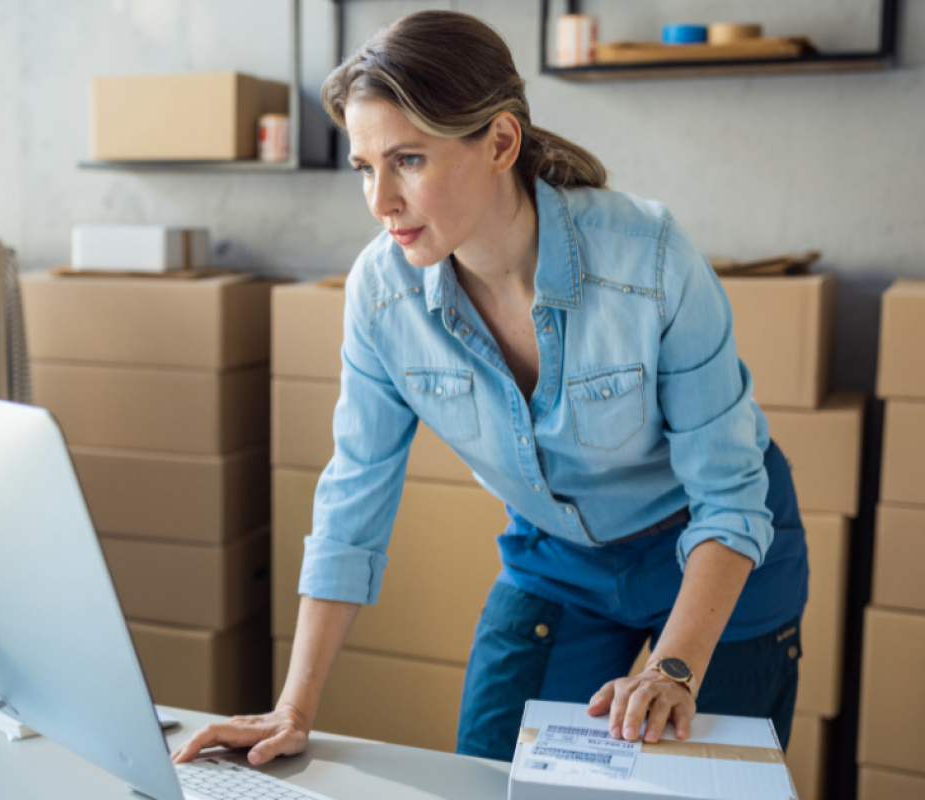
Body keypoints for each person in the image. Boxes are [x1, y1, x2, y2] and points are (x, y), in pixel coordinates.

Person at [173, 10, 807, 766]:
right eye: (365, 167)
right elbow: (353, 498)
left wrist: (672, 670)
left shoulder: (650, 259)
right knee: (483, 774)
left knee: (685, 780)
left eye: (407, 160)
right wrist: (293, 708)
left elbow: (731, 498)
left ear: (501, 141)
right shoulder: (382, 294)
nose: (380, 202)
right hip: (558, 559)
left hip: (717, 553)